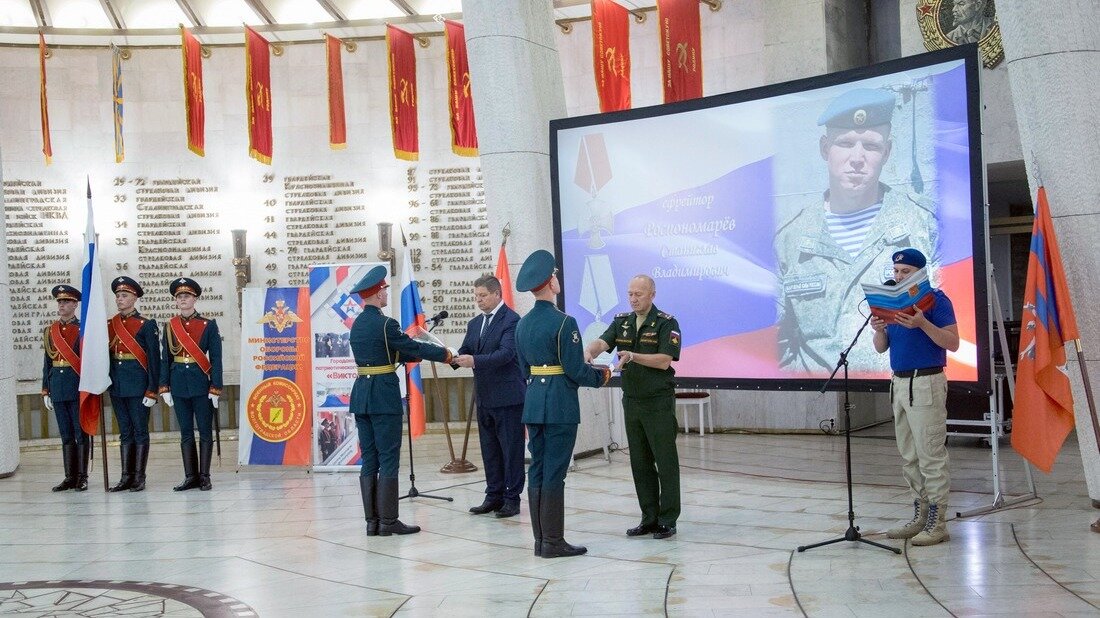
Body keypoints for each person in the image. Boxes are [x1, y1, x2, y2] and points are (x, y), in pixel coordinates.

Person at [774, 87, 939, 373]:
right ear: (825, 148)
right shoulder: (790, 239)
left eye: (871, 146)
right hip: (821, 391)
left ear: (887, 151)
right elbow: (776, 344)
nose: (857, 158)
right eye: (846, 143)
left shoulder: (922, 227)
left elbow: (941, 321)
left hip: (903, 381)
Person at [514, 250, 611, 558]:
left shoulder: (521, 324)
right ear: (551, 282)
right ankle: (554, 542)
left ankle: (540, 541)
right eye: (555, 275)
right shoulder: (564, 322)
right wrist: (602, 376)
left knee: (538, 470)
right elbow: (574, 369)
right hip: (558, 405)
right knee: (555, 471)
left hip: (533, 403)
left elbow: (522, 369)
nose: (557, 279)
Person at [348, 265, 453, 537]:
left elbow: (389, 354)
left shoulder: (357, 324)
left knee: (370, 459)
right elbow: (412, 349)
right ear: (375, 293)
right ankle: (389, 521)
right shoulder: (386, 324)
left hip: (362, 396)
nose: (385, 294)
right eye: (383, 290)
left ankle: (372, 522)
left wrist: (406, 349)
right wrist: (446, 355)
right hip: (383, 397)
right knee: (389, 458)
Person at [871, 248, 959, 546]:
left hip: (926, 382)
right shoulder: (894, 302)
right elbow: (882, 348)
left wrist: (923, 323)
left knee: (930, 455)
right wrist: (879, 329)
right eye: (896, 272)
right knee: (909, 456)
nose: (897, 276)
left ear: (920, 273)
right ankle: (921, 514)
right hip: (899, 383)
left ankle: (938, 522)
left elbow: (953, 343)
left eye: (904, 272)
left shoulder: (936, 300)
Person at [585, 275, 681, 539]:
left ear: (652, 294)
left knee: (665, 461)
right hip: (633, 401)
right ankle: (648, 517)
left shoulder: (666, 322)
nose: (633, 298)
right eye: (630, 294)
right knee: (640, 462)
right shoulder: (622, 322)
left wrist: (633, 356)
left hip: (658, 401)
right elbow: (603, 342)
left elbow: (664, 360)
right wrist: (589, 350)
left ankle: (668, 519)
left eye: (639, 293)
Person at [454, 274, 527, 518]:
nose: (479, 300)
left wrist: (474, 360)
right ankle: (493, 495)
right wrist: (449, 355)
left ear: (497, 294)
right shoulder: (475, 323)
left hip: (508, 397)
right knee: (490, 450)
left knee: (511, 449)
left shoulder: (512, 320)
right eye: (476, 296)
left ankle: (511, 498)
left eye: (483, 296)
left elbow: (505, 354)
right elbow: (466, 349)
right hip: (484, 397)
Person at [159, 277, 222, 492]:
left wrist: (216, 387)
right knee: (185, 432)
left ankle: (204, 476)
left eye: (186, 296)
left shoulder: (207, 325)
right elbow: (165, 358)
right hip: (178, 384)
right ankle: (190, 476)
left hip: (200, 384)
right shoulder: (170, 327)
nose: (183, 299)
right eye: (179, 297)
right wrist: (164, 386)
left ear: (195, 298)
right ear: (175, 301)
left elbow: (216, 358)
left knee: (205, 431)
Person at [106, 276, 160, 492]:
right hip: (117, 385)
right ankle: (125, 476)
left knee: (139, 431)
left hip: (139, 386)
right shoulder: (110, 325)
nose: (120, 299)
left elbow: (154, 360)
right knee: (125, 432)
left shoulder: (146, 325)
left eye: (124, 295)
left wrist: (152, 389)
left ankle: (139, 476)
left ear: (135, 298)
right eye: (118, 296)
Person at [42, 284, 89, 492]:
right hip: (58, 387)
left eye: (66, 301)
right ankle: (69, 476)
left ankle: (82, 476)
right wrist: (46, 389)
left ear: (75, 305)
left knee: (81, 434)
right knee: (66, 435)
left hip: (77, 386)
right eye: (59, 301)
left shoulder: (82, 329)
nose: (61, 305)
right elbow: (47, 362)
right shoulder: (50, 331)